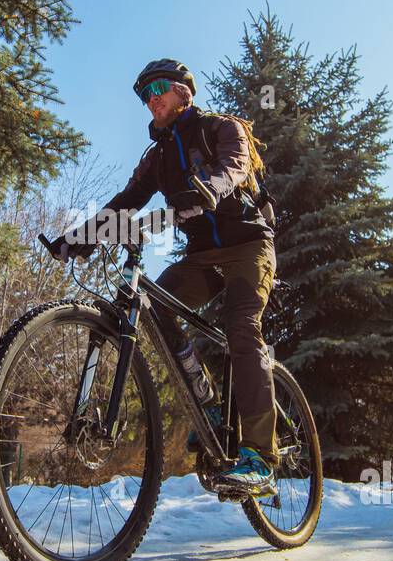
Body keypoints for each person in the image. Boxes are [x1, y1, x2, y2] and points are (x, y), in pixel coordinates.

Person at [47, 58, 278, 496]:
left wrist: (208, 187)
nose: (150, 99)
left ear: (184, 92)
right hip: (203, 257)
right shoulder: (157, 159)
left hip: (248, 246)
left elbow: (234, 166)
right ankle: (207, 402)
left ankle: (261, 457)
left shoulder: (222, 129)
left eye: (158, 88)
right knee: (153, 308)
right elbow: (125, 202)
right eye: (143, 94)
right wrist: (77, 240)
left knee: (242, 327)